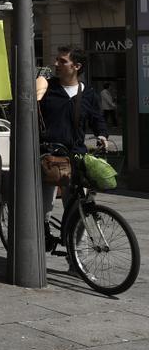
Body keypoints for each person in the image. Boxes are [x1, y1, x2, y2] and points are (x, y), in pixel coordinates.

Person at [39, 46, 108, 247]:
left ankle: (77, 260)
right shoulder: (47, 88)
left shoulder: (88, 94)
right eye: (57, 60)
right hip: (48, 156)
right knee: (44, 207)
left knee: (80, 209)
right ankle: (42, 238)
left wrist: (102, 135)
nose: (56, 64)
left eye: (62, 61)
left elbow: (97, 119)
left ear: (76, 66)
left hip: (75, 156)